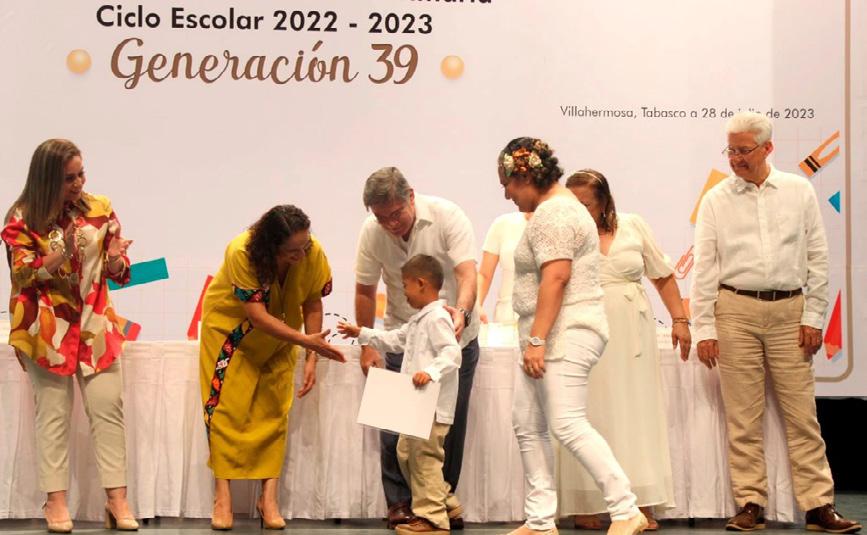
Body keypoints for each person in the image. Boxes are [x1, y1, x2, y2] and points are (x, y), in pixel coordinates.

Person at [691, 111, 861, 533]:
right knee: (743, 416)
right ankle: (750, 502)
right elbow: (705, 268)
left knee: (802, 415)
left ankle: (818, 505)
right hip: (734, 311)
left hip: (790, 310)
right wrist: (705, 328)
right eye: (730, 150)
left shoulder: (798, 190)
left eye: (743, 150)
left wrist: (814, 316)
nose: (735, 158)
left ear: (768, 148)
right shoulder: (715, 199)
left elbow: (818, 256)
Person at [497, 137, 647, 535]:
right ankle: (540, 521)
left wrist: (537, 340)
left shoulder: (556, 213)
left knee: (566, 423)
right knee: (527, 423)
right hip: (550, 331)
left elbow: (557, 276)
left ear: (523, 176)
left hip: (565, 331)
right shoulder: (555, 210)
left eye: (507, 184)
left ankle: (626, 508)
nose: (507, 194)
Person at [2, 139, 138, 532]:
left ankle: (117, 500)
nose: (79, 183)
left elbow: (117, 271)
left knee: (108, 410)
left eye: (81, 174)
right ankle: (55, 501)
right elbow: (22, 274)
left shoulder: (100, 208)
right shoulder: (22, 218)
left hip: (96, 326)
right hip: (47, 330)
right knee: (53, 416)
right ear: (47, 179)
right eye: (69, 178)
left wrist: (117, 260)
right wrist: (58, 256)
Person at [559, 169, 691, 530]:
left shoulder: (633, 225)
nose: (580, 210)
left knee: (635, 411)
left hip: (632, 329)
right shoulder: (565, 233)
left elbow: (662, 275)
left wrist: (680, 320)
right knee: (590, 410)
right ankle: (585, 500)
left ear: (604, 202)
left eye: (586, 204)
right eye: (573, 203)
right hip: (585, 326)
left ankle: (640, 502)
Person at [199, 205, 345, 531]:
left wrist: (311, 355)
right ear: (271, 245)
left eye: (304, 245)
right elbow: (257, 316)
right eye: (292, 250)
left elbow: (312, 301)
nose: (301, 254)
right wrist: (305, 341)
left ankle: (269, 499)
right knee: (226, 412)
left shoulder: (311, 251)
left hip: (282, 336)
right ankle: (222, 498)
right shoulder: (242, 252)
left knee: (275, 410)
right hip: (232, 335)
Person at [354, 167, 479, 529]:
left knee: (442, 433)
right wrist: (367, 345)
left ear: (411, 197)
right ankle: (401, 505)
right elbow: (365, 289)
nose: (390, 224)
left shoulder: (447, 216)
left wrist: (462, 313)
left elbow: (467, 274)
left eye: (396, 214)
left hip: (453, 335)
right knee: (396, 435)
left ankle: (438, 509)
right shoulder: (371, 231)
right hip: (403, 337)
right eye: (382, 217)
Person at [338, 254, 462, 535]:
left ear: (421, 284)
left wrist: (430, 371)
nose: (403, 292)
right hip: (417, 406)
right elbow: (394, 339)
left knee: (424, 458)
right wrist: (362, 333)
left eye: (405, 285)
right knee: (405, 452)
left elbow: (452, 353)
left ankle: (434, 520)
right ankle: (445, 501)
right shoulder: (420, 320)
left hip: (431, 406)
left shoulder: (437, 318)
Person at [478, 212, 530, 325]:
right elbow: (484, 274)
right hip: (506, 316)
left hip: (546, 315)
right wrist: (476, 305)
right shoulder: (503, 223)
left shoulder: (559, 223)